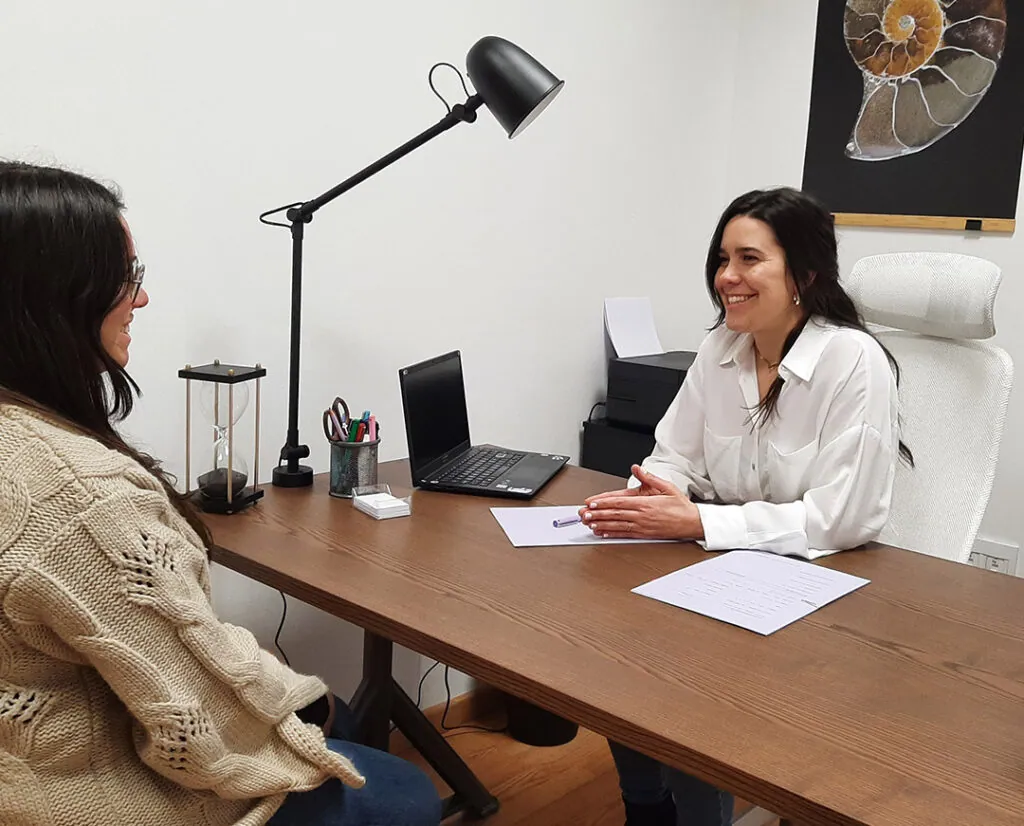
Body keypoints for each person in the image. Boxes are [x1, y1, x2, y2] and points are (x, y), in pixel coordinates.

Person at [0, 161, 442, 826]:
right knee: (400, 791)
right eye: (128, 279)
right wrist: (297, 703)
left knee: (325, 705)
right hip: (83, 791)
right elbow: (201, 722)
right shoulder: (80, 498)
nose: (141, 300)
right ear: (52, 297)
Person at [581, 187, 911, 826]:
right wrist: (648, 498)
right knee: (619, 651)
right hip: (727, 569)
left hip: (825, 588)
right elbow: (673, 453)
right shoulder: (720, 350)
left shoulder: (854, 361)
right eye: (722, 258)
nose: (726, 277)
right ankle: (645, 811)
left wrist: (699, 520)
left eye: (749, 259)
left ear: (804, 275)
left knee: (695, 693)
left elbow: (842, 517)